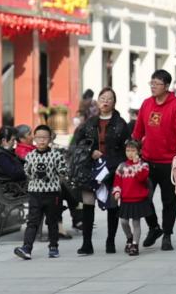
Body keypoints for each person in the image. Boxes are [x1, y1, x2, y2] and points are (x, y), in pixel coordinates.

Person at [132, 69, 176, 251]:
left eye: (156, 84)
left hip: (168, 162)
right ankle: (154, 227)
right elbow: (138, 130)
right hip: (148, 160)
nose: (153, 87)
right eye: (151, 83)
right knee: (143, 197)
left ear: (166, 86)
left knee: (168, 201)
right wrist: (133, 149)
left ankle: (167, 235)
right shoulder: (147, 104)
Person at [72, 87, 130, 255]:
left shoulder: (121, 123)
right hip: (91, 167)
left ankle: (110, 241)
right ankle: (86, 243)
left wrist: (119, 164)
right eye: (102, 97)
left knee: (113, 204)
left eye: (109, 98)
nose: (105, 101)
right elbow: (77, 143)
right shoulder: (89, 123)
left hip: (112, 168)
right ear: (97, 101)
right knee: (88, 204)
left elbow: (127, 148)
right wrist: (91, 152)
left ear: (114, 103)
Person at [14, 125, 68, 260]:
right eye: (38, 138)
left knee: (52, 221)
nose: (41, 141)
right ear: (34, 138)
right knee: (32, 221)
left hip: (52, 193)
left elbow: (63, 170)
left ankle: (53, 247)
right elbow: (26, 171)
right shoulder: (30, 156)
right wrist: (35, 173)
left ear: (50, 139)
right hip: (35, 193)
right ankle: (26, 248)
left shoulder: (56, 155)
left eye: (44, 138)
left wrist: (58, 173)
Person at [112, 140, 153, 257]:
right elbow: (117, 182)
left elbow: (142, 178)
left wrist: (136, 164)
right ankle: (129, 238)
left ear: (139, 152)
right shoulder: (122, 166)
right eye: (128, 150)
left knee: (136, 223)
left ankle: (135, 245)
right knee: (123, 221)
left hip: (138, 199)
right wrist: (117, 192)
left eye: (133, 150)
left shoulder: (143, 165)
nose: (130, 153)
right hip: (125, 199)